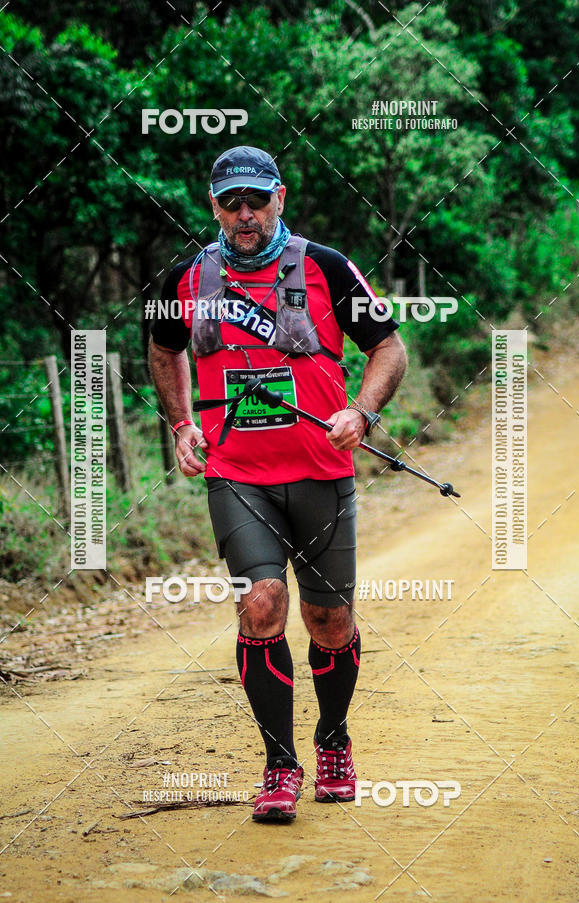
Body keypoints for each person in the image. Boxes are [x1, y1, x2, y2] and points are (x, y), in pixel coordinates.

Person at [149, 145, 406, 823]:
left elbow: (389, 346)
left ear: (280, 198)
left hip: (322, 472)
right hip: (237, 476)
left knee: (329, 620)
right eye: (231, 201)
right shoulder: (186, 278)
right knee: (262, 605)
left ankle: (332, 739)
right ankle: (279, 763)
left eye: (256, 200)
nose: (244, 213)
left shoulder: (326, 268)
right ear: (213, 206)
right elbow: (161, 345)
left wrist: (363, 410)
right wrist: (180, 424)